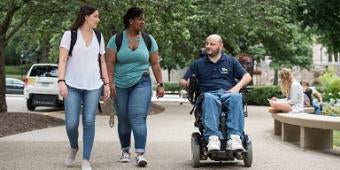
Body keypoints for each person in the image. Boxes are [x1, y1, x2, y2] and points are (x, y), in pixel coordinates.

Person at [105, 7, 164, 167]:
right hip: (120, 84)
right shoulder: (116, 39)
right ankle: (125, 150)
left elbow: (155, 64)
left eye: (143, 19)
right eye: (140, 19)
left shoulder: (148, 40)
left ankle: (140, 153)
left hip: (142, 82)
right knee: (124, 120)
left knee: (138, 117)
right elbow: (109, 63)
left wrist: (160, 84)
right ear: (131, 20)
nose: (143, 22)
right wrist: (110, 83)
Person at [58, 5, 110, 170]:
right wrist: (61, 80)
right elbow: (63, 60)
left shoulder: (99, 36)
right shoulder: (69, 35)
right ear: (86, 17)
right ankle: (74, 146)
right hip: (72, 85)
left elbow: (102, 61)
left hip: (93, 85)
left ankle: (86, 159)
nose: (98, 19)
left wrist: (107, 83)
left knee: (89, 121)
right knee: (71, 123)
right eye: (96, 16)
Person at [179, 34, 252, 152]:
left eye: (212, 44)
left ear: (220, 46)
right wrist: (187, 83)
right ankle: (213, 138)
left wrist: (237, 87)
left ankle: (234, 138)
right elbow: (182, 80)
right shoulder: (198, 63)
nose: (208, 46)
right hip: (208, 94)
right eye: (207, 44)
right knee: (209, 98)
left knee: (236, 97)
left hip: (227, 93)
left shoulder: (230, 61)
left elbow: (247, 76)